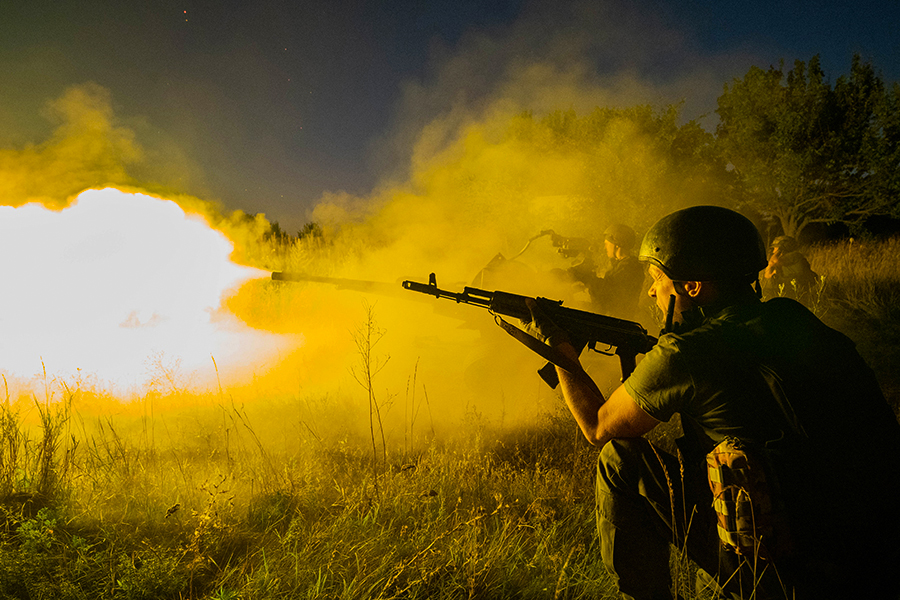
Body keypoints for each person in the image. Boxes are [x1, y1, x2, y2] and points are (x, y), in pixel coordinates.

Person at [525, 206, 900, 600]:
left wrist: (559, 351)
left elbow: (597, 427)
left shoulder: (683, 353)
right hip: (871, 553)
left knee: (618, 458)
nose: (652, 290)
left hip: (777, 571)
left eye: (657, 277)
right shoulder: (793, 318)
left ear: (693, 286)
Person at [567, 223, 645, 320]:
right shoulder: (620, 265)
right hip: (612, 317)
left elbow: (609, 292)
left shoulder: (630, 267)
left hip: (616, 321)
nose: (605, 248)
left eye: (607, 244)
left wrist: (587, 277)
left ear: (617, 244)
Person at [762, 235, 819, 302]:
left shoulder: (794, 256)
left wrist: (779, 251)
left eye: (775, 248)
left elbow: (772, 262)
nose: (773, 251)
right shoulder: (785, 260)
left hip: (795, 291)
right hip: (791, 289)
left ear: (783, 248)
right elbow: (767, 276)